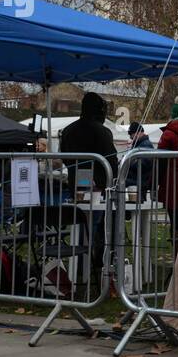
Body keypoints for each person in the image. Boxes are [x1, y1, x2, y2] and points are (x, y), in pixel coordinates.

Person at [58, 92, 119, 279]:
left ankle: (83, 268)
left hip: (76, 186)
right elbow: (112, 160)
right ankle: (93, 266)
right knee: (97, 229)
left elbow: (63, 156)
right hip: (98, 188)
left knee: (80, 227)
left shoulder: (68, 130)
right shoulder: (102, 131)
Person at [125, 122, 156, 200]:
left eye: (131, 134)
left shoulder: (145, 145)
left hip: (139, 181)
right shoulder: (139, 144)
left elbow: (143, 164)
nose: (131, 137)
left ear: (138, 133)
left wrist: (127, 161)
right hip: (136, 180)